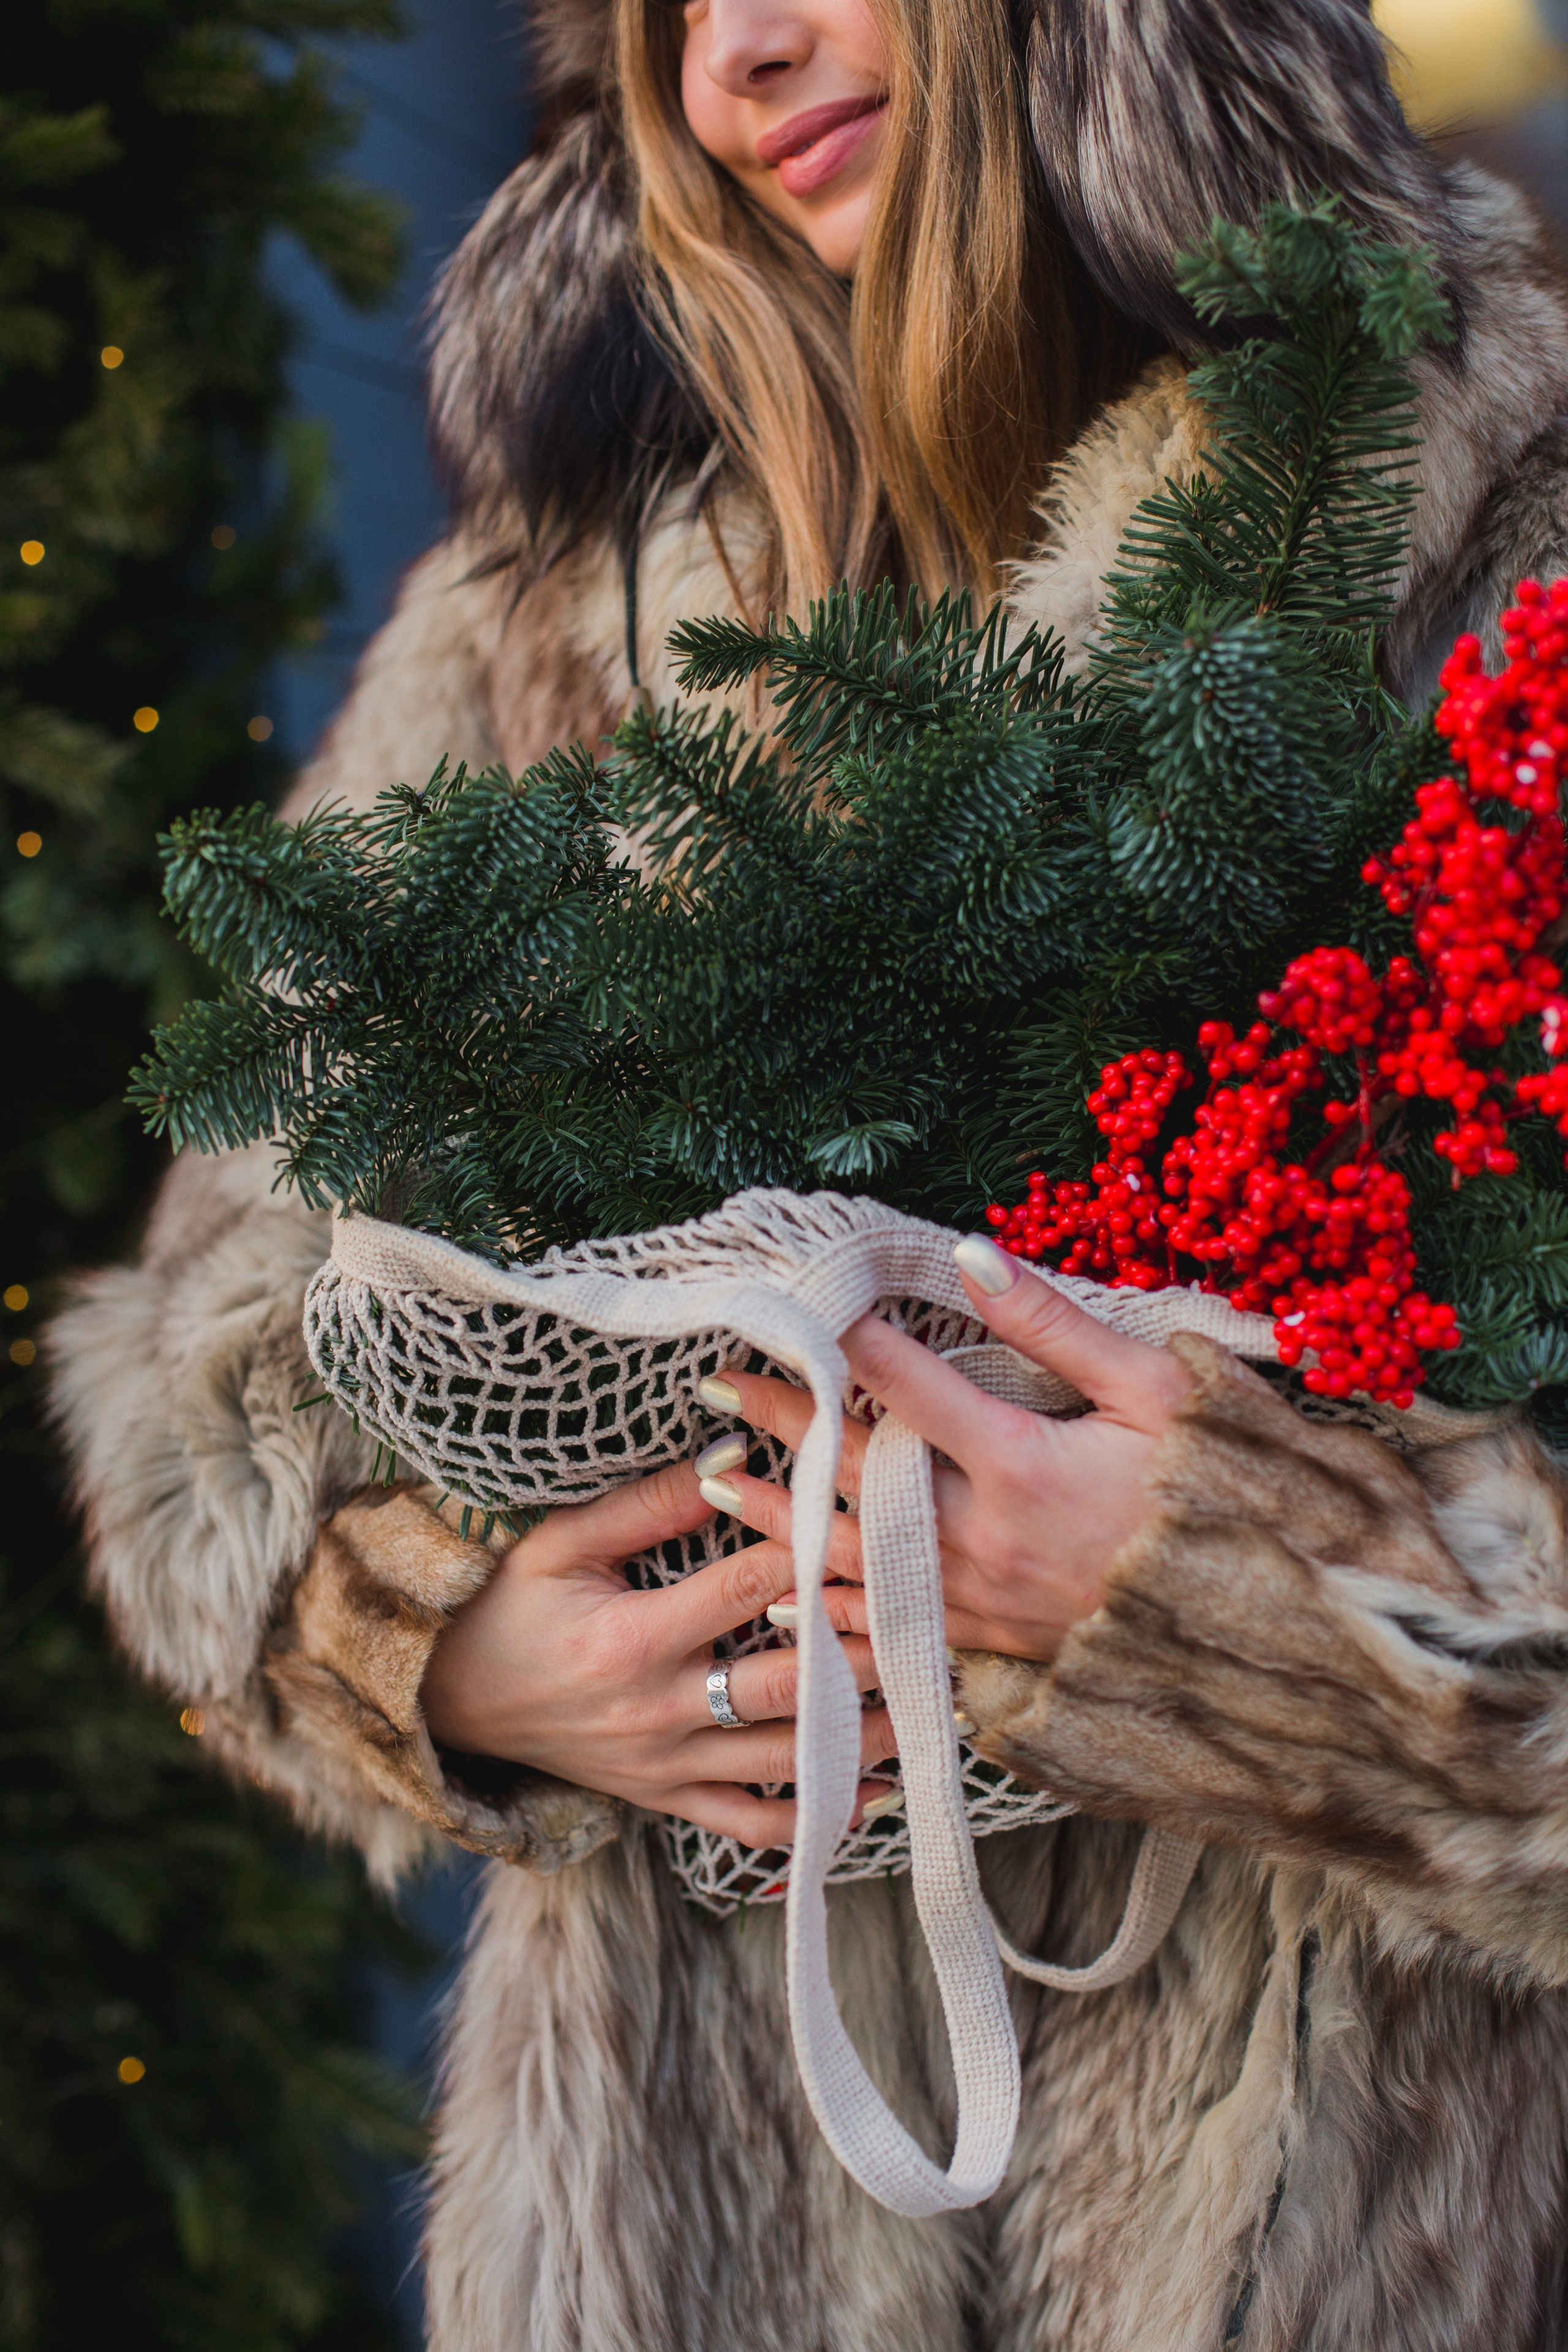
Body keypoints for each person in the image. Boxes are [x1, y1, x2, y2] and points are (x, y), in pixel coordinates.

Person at [48, 1, 1568, 2343]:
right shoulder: (562, 611)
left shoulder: (1499, 522)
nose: (739, 53)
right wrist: (440, 1649)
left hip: (1341, 2206)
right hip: (691, 2227)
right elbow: (199, 1375)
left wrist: (1236, 1603)